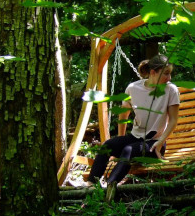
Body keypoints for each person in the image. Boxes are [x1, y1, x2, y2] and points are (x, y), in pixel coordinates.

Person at [77, 54, 180, 191]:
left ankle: (109, 188)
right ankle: (90, 185)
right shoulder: (133, 88)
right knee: (108, 145)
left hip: (154, 143)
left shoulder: (171, 90)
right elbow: (123, 115)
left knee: (128, 150)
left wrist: (160, 141)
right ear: (153, 72)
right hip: (134, 138)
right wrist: (122, 138)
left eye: (170, 73)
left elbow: (173, 120)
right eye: (166, 74)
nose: (169, 78)